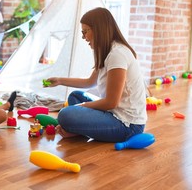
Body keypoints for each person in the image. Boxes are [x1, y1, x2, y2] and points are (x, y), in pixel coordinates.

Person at [45, 7, 147, 142]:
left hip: (128, 125)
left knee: (65, 115)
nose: (83, 37)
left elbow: (111, 102)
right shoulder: (106, 52)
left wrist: (82, 107)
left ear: (99, 30)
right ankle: (79, 130)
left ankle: (77, 129)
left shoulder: (117, 54)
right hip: (114, 113)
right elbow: (89, 82)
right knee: (75, 96)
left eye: (85, 32)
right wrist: (59, 80)